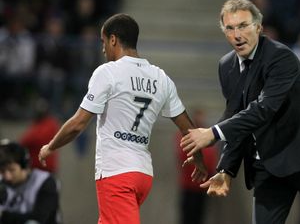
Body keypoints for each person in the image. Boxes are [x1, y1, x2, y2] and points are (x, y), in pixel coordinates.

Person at [181, 0, 300, 224]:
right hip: (268, 164)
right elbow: (236, 116)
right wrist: (226, 169)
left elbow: (263, 108)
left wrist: (212, 133)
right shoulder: (226, 66)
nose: (237, 34)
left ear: (259, 27)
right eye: (230, 28)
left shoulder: (282, 57)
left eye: (243, 26)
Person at [38, 13, 207, 224]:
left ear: (113, 39)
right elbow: (188, 129)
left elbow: (78, 123)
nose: (102, 49)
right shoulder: (161, 77)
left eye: (103, 42)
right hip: (143, 174)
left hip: (116, 173)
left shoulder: (107, 72)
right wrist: (198, 158)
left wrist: (51, 146)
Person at [0, 139, 61, 223]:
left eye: (11, 170)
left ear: (24, 165)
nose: (7, 177)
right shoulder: (2, 183)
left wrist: (3, 216)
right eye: (3, 171)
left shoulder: (44, 181)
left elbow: (40, 219)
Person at [174, 108, 218, 224]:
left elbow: (211, 159)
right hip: (189, 184)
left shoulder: (207, 135)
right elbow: (184, 156)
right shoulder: (186, 136)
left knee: (199, 216)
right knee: (188, 216)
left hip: (203, 186)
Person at [20, 97, 60, 173]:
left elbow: (36, 139)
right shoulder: (36, 123)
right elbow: (23, 141)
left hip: (46, 168)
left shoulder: (51, 123)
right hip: (34, 168)